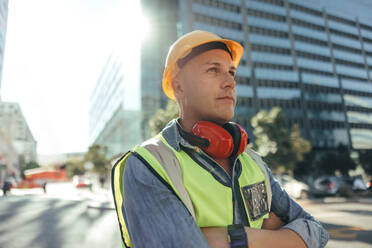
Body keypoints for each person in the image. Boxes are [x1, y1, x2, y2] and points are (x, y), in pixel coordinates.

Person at [112, 30, 329, 248]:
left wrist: (238, 238)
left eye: (232, 73)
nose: (230, 83)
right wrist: (276, 232)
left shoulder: (252, 162)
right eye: (213, 70)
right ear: (179, 86)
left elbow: (317, 232)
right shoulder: (146, 164)